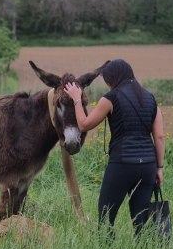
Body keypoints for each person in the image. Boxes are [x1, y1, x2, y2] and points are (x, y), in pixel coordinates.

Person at [64, 59, 165, 237]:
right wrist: (159, 168)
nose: (108, 84)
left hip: (122, 164)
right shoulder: (150, 98)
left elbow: (84, 124)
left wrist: (77, 100)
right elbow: (159, 136)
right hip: (148, 165)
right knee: (140, 219)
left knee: (106, 215)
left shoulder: (111, 98)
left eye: (108, 80)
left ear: (113, 78)